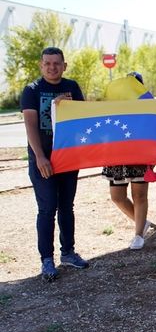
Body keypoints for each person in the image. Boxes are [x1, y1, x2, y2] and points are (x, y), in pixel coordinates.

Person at [21, 47, 89, 281]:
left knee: (66, 206)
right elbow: (30, 125)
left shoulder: (72, 87)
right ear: (41, 65)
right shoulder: (32, 90)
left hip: (68, 157)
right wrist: (40, 156)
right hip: (44, 159)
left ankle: (68, 252)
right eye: (47, 63)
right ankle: (47, 260)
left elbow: (84, 119)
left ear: (64, 65)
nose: (52, 67)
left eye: (56, 63)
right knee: (47, 208)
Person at [102, 72, 151, 250]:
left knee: (139, 195)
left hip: (139, 155)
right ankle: (143, 223)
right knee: (117, 197)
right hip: (115, 156)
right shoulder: (112, 106)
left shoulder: (148, 107)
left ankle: (138, 234)